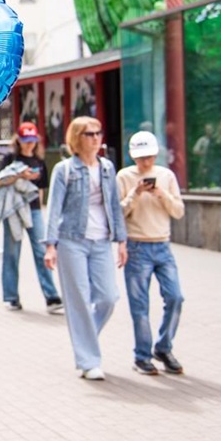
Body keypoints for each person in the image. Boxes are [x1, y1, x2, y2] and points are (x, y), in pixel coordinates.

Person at [44, 116, 127, 381]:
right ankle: (89, 361)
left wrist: (122, 241)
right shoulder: (64, 169)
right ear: (77, 138)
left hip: (101, 240)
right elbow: (54, 208)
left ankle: (84, 341)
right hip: (71, 240)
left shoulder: (107, 168)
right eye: (89, 134)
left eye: (98, 133)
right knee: (78, 299)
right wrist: (50, 245)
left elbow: (114, 204)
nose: (96, 138)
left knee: (108, 298)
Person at [116, 131, 186, 375]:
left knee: (176, 297)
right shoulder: (124, 177)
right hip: (137, 246)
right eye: (140, 157)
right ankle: (142, 356)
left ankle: (164, 347)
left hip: (163, 245)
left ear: (156, 154)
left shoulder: (166, 176)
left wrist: (161, 194)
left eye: (148, 156)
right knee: (140, 306)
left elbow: (178, 211)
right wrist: (135, 194)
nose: (144, 162)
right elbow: (118, 214)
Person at [0, 122, 64, 314]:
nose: (29, 145)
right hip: (13, 210)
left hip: (33, 210)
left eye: (32, 141)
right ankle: (11, 296)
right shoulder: (10, 158)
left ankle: (51, 297)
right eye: (26, 141)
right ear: (19, 140)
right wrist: (18, 176)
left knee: (42, 251)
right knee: (11, 253)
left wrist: (41, 211)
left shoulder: (39, 161)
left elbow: (41, 190)